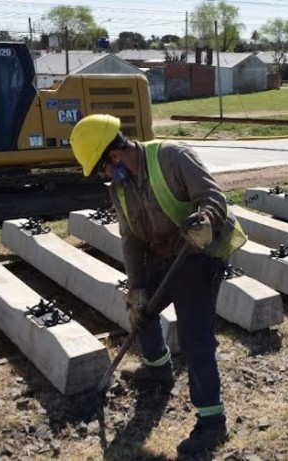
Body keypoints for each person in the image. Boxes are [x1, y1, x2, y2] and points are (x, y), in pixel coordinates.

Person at [70, 114, 247, 456]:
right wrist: (137, 290)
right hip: (165, 257)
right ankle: (158, 368)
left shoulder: (171, 157)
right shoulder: (119, 189)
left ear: (114, 156)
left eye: (101, 169)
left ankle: (212, 422)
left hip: (200, 252)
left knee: (195, 336)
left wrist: (206, 219)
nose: (103, 177)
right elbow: (131, 241)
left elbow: (214, 197)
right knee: (141, 308)